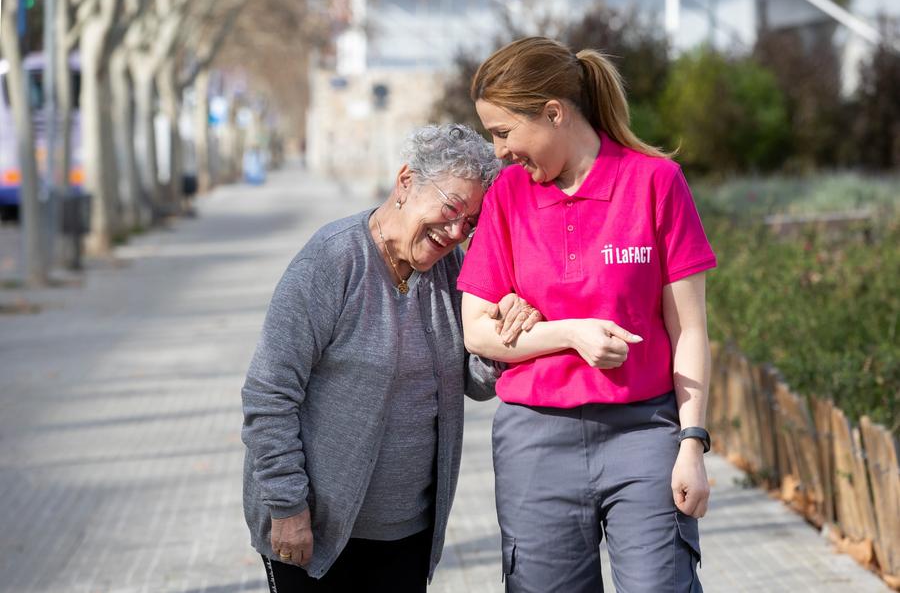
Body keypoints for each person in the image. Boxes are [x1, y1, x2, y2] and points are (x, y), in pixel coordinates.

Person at [458, 37, 717, 593]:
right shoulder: (507, 196)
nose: (498, 152)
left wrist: (692, 443)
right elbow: (476, 331)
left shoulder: (656, 182)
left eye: (503, 132)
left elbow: (690, 331)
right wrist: (571, 334)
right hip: (535, 440)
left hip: (645, 433)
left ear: (554, 113)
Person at [241, 123, 540, 593]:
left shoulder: (451, 270)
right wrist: (286, 506)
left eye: (470, 223)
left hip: (407, 533)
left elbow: (472, 381)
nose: (455, 232)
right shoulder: (331, 261)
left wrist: (502, 335)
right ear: (405, 182)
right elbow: (268, 393)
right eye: (451, 208)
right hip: (313, 528)